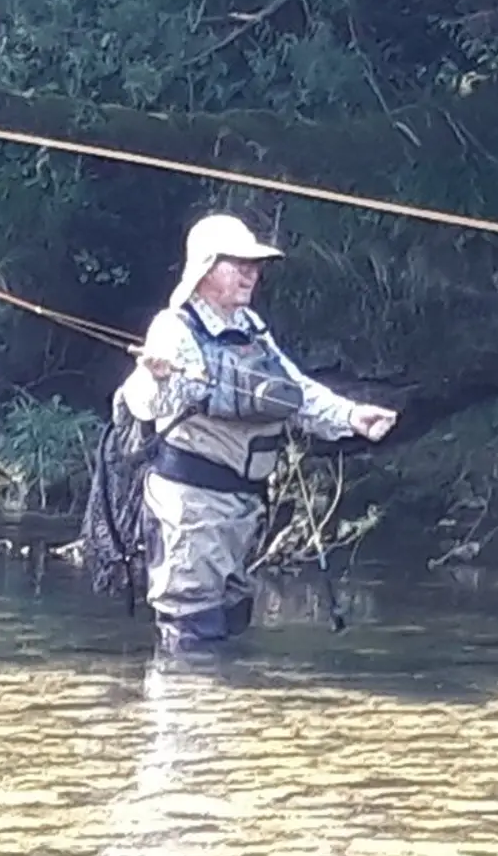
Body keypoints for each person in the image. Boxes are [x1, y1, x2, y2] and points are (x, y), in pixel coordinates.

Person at [113, 212, 397, 653]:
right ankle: (177, 717)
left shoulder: (251, 327)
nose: (251, 272)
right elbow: (141, 403)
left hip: (244, 509)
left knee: (231, 620)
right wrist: (156, 377)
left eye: (255, 264)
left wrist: (352, 416)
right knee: (192, 628)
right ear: (206, 269)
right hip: (192, 506)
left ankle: (223, 717)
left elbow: (295, 391)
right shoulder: (173, 328)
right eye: (237, 263)